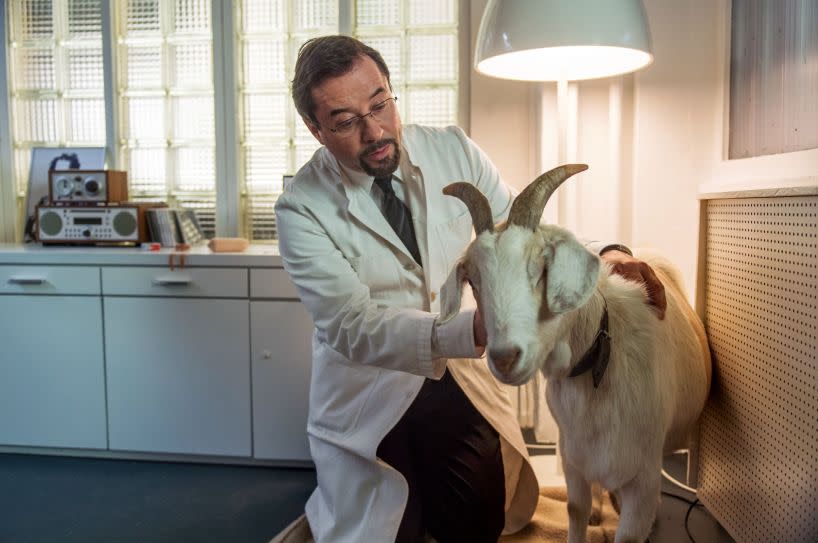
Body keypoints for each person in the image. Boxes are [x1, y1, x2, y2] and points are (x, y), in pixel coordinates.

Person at [274, 35, 666, 543]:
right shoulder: (300, 208)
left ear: (391, 92)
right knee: (387, 529)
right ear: (315, 129)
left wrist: (607, 256)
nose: (375, 131)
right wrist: (467, 328)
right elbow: (351, 325)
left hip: (457, 381)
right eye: (347, 121)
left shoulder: (453, 149)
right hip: (370, 388)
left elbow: (518, 237)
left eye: (380, 104)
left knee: (476, 523)